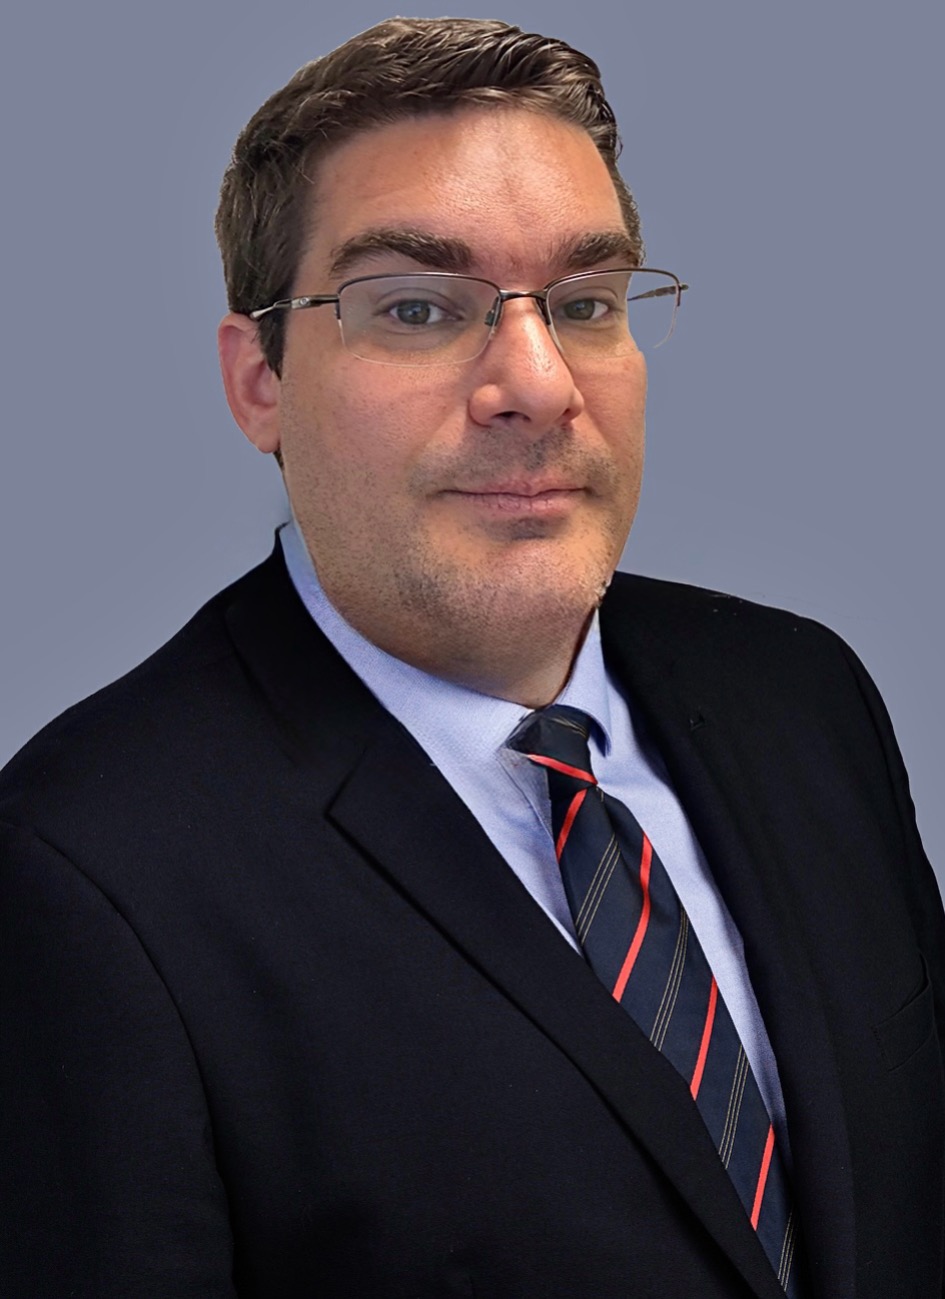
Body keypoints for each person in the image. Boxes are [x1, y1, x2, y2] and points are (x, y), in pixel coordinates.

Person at [1, 16, 942, 1298]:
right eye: (419, 307)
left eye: (586, 303)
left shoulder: (802, 693)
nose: (539, 382)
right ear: (260, 379)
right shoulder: (84, 871)